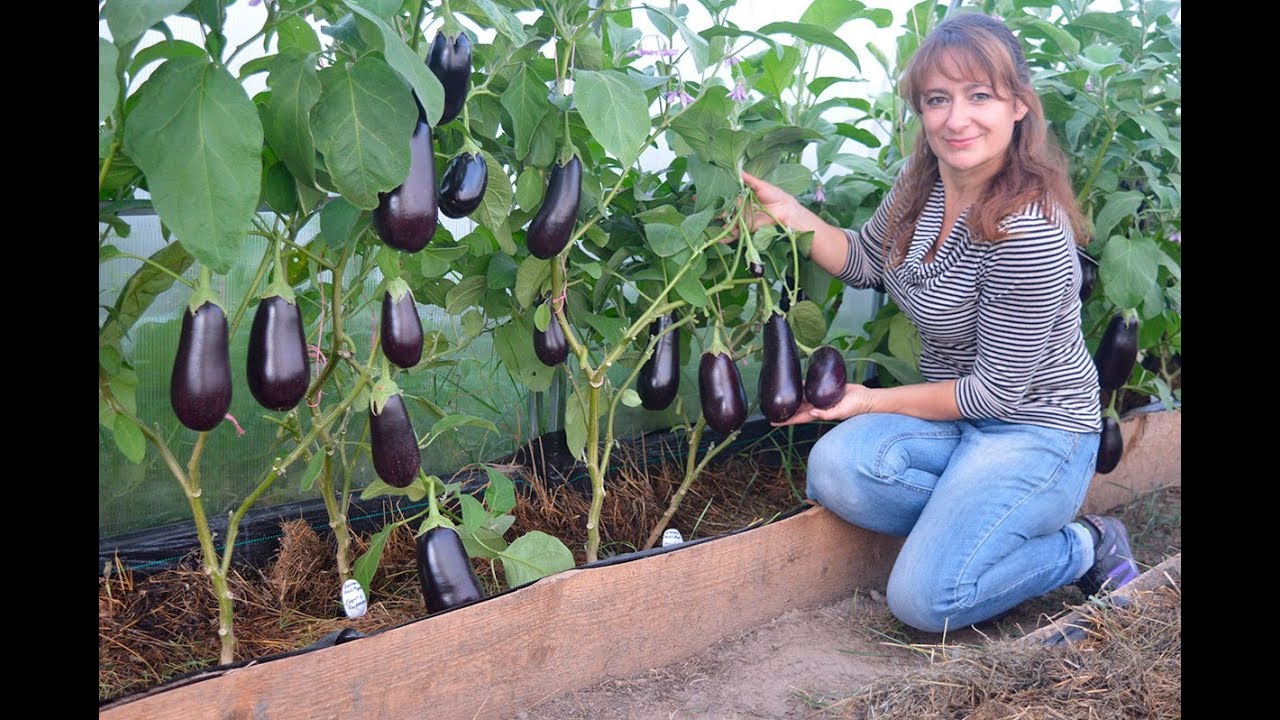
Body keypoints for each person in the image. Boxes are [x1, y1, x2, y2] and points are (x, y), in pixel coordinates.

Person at [738, 11, 1139, 633]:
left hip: (1037, 432)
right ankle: (975, 525)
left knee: (927, 600)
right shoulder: (919, 182)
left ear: (1019, 107)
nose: (956, 119)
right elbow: (867, 260)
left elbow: (995, 393)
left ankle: (1085, 544)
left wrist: (868, 402)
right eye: (937, 99)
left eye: (980, 96)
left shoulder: (1027, 230)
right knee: (837, 470)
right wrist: (789, 214)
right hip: (958, 428)